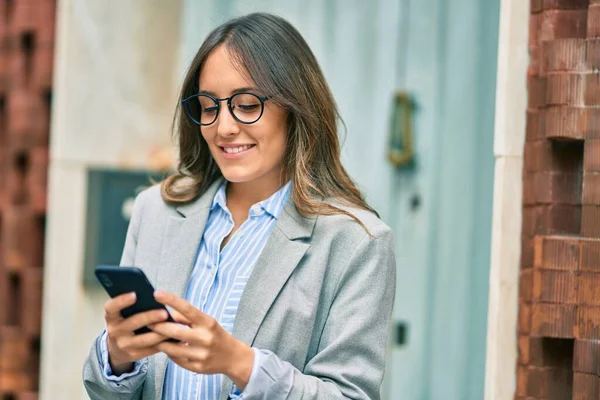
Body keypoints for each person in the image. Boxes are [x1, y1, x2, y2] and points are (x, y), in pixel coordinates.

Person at [83, 12, 396, 400]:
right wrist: (117, 356)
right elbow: (105, 390)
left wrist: (241, 364)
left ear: (295, 106)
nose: (224, 127)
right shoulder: (155, 212)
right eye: (209, 106)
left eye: (247, 105)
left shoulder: (356, 243)